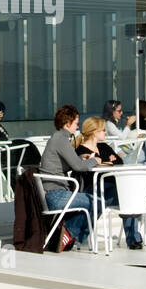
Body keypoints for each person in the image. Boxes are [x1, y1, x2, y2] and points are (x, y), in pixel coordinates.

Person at [74, 116, 142, 248]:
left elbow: (119, 162)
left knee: (128, 196)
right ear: (95, 132)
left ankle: (134, 238)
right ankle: (79, 236)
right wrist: (108, 162)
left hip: (110, 189)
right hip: (92, 189)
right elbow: (90, 169)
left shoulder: (104, 146)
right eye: (103, 130)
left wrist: (104, 162)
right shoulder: (80, 151)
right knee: (111, 193)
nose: (105, 132)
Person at [39, 105, 101, 249]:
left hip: (54, 192)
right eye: (76, 123)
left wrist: (80, 157)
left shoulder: (57, 138)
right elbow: (78, 167)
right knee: (98, 202)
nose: (78, 127)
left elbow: (65, 165)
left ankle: (70, 237)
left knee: (93, 201)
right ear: (68, 123)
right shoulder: (61, 139)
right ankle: (70, 235)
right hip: (56, 195)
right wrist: (95, 160)